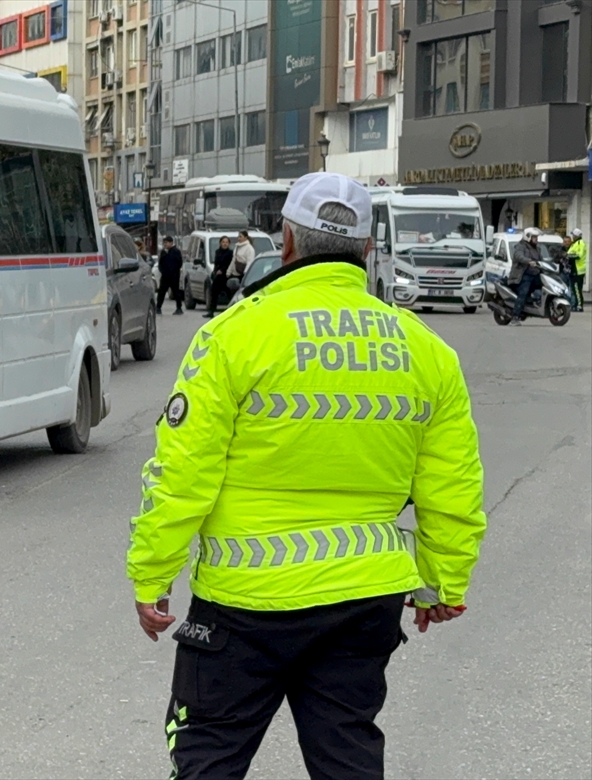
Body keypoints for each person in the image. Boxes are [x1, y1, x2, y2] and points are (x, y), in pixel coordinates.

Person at [126, 171, 486, 780]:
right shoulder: (427, 351)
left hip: (242, 606)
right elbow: (452, 485)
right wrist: (441, 582)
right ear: (368, 250)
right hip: (362, 601)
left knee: (208, 759)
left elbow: (181, 472)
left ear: (286, 242)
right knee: (348, 761)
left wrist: (152, 573)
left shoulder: (234, 336)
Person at [508, 227, 544, 325]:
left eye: (536, 237)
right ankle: (515, 317)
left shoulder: (537, 248)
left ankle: (536, 303)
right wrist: (529, 261)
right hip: (523, 275)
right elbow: (518, 256)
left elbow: (541, 260)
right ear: (528, 237)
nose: (536, 239)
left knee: (545, 287)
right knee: (523, 293)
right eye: (534, 237)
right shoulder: (520, 246)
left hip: (536, 274)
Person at [204, 237, 233, 318]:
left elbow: (229, 264)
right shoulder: (217, 252)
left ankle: (232, 311)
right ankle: (211, 311)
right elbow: (216, 263)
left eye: (227, 242)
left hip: (226, 276)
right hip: (218, 277)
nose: (225, 244)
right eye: (223, 242)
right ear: (220, 243)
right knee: (214, 294)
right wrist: (215, 271)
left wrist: (222, 270)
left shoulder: (230, 253)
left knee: (229, 294)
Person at [156, 236, 184, 315]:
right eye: (164, 243)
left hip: (174, 276)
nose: (165, 244)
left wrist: (173, 271)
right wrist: (162, 271)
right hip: (165, 276)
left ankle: (179, 308)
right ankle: (158, 307)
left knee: (176, 292)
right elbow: (160, 263)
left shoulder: (176, 251)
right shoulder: (163, 252)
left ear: (171, 243)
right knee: (161, 292)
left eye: (166, 243)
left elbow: (179, 263)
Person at [570, 228, 586, 312]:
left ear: (576, 235)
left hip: (578, 270)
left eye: (573, 235)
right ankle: (576, 305)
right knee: (575, 288)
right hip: (575, 269)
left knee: (577, 289)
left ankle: (579, 305)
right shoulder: (575, 243)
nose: (572, 236)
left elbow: (578, 255)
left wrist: (568, 256)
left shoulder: (580, 243)